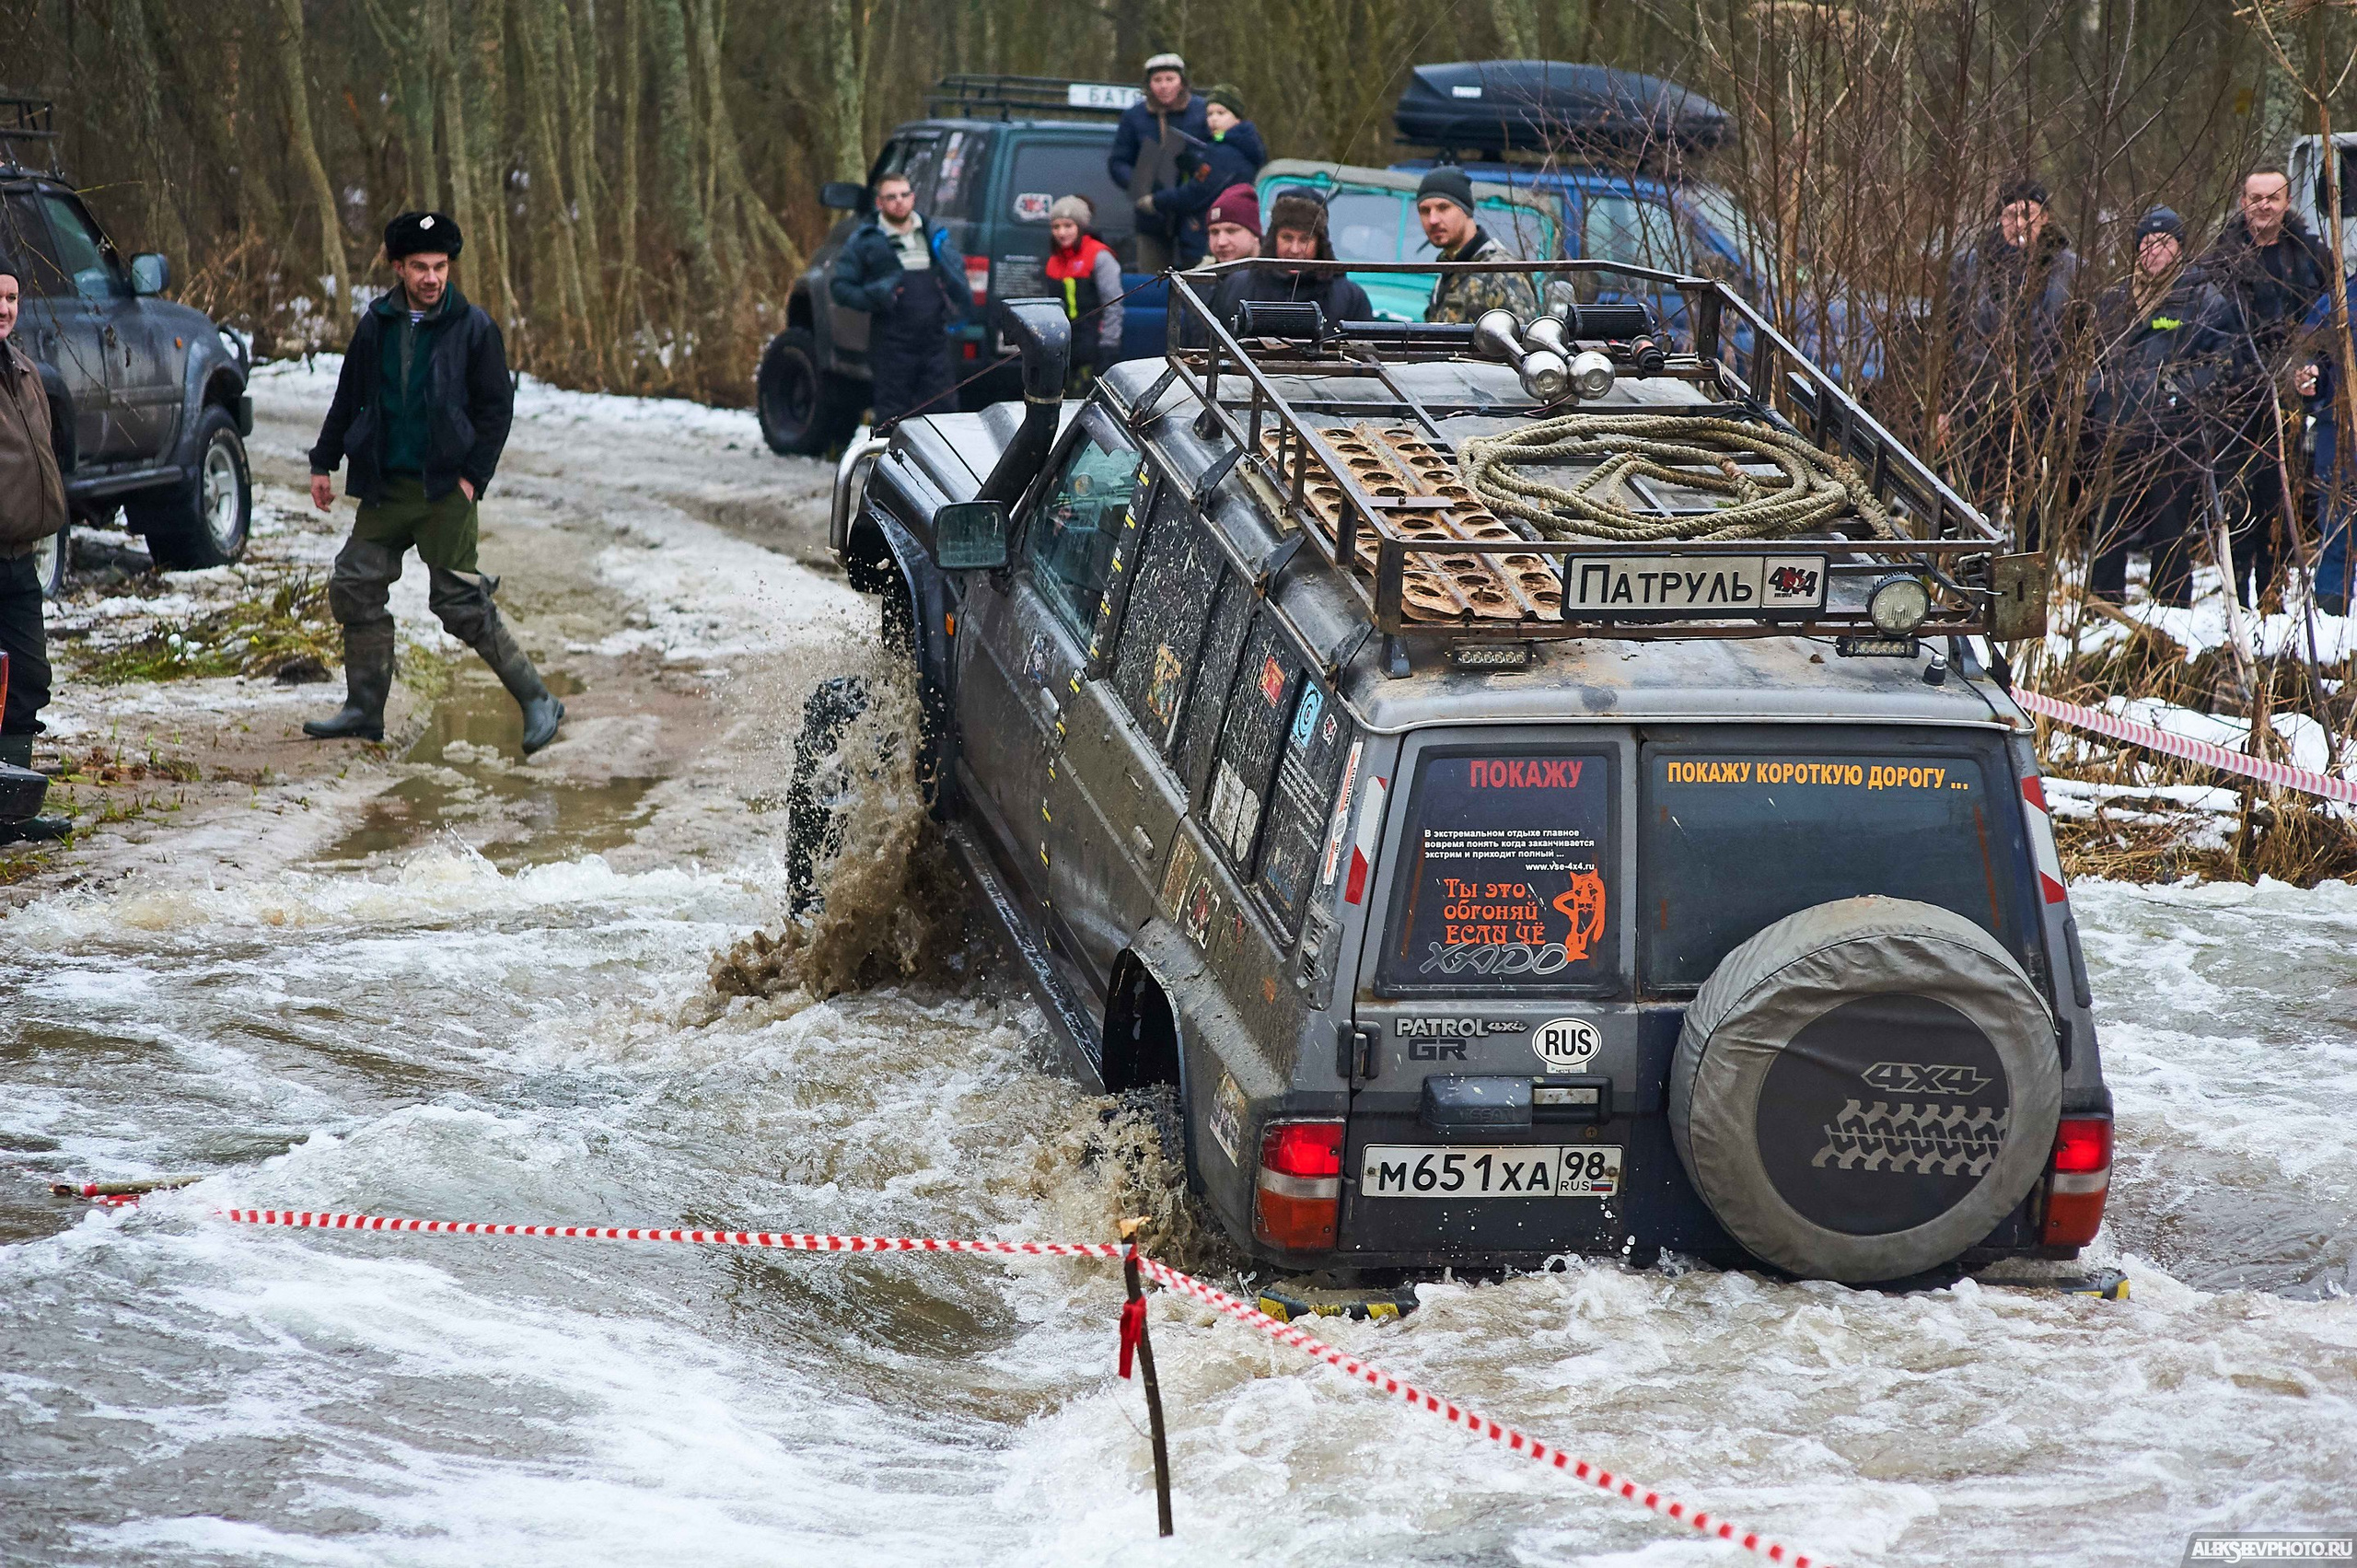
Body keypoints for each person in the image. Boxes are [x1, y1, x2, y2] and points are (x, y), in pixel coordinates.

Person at [306, 212, 563, 754]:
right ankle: (364, 709)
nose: (431, 277)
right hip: (386, 487)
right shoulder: (377, 324)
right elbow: (348, 395)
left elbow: (497, 411)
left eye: (440, 267)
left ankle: (539, 700)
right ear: (398, 267)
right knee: (355, 586)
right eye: (419, 267)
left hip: (445, 490)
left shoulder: (474, 328)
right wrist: (323, 462)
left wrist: (473, 479)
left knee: (459, 604)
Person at [2079, 207, 2235, 607]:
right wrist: (2096, 398)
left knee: (2168, 525)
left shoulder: (2204, 300)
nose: (2154, 252)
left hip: (2173, 434)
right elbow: (2090, 358)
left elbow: (2220, 366)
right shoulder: (2113, 300)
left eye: (2164, 243)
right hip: (2116, 428)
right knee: (2108, 521)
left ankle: (2172, 607)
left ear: (2181, 249)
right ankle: (2101, 604)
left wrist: (2174, 394)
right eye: (2146, 244)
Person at [2200, 168, 2332, 608]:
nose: (2264, 205)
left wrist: (2313, 368)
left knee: (2282, 499)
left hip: (2291, 401)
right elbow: (2202, 329)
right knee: (2237, 502)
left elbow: (2331, 321)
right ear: (2242, 202)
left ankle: (2272, 597)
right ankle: (2236, 599)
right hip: (2235, 401)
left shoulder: (2311, 256)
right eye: (2256, 197)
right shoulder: (2219, 257)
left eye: (2273, 198)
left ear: (2287, 201)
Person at [1941, 178, 2082, 536]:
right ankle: (1969, 580)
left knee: (2034, 505)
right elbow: (1949, 336)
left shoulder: (2071, 269)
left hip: (2042, 403)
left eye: (2027, 214)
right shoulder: (1970, 266)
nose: (2017, 224)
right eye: (2008, 214)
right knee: (1974, 501)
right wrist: (1945, 403)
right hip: (1979, 399)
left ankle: (2027, 581)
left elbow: (2082, 340)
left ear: (2045, 217)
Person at [0, 261, 70, 841]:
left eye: (12, 297)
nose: (4, 308)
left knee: (26, 677)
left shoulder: (23, 371)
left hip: (18, 558)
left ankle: (12, 810)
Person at [830, 172, 970, 428]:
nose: (899, 201)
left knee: (945, 413)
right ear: (879, 203)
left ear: (913, 198)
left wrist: (959, 309)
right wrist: (876, 297)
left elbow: (957, 278)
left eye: (904, 195)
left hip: (935, 342)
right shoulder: (866, 240)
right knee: (893, 416)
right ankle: (889, 466)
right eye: (891, 197)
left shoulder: (933, 233)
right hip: (891, 344)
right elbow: (840, 288)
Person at [1209, 188, 1375, 332]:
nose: (1295, 250)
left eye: (1305, 239)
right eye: (1287, 238)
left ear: (1320, 243)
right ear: (1274, 238)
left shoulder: (1351, 297)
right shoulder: (1237, 286)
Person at [1107, 52, 1210, 273]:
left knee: (1199, 280)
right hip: (1151, 215)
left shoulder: (1202, 112)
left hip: (1195, 216)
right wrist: (1139, 187)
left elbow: (1215, 157)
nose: (1164, 86)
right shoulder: (1134, 117)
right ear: (1148, 84)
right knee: (1153, 280)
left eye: (1169, 79)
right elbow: (1118, 162)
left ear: (1182, 81)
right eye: (1157, 80)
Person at [1150, 84, 1267, 271]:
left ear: (1237, 117)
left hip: (1205, 239)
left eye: (1221, 113)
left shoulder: (1225, 152)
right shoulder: (1237, 146)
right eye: (1210, 114)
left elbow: (1198, 191)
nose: (1213, 120)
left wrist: (1156, 200)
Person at [1414, 166, 1538, 324]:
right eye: (1425, 210)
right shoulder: (1449, 269)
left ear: (1465, 209)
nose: (1433, 220)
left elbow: (1522, 343)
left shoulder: (1501, 273)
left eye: (1443, 208)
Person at [1045, 195, 1125, 389]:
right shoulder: (1053, 262)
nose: (1061, 233)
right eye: (1056, 227)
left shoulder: (1099, 256)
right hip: (1065, 350)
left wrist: (1109, 345)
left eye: (1068, 226)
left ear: (1080, 227)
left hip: (1095, 347)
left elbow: (1113, 305)